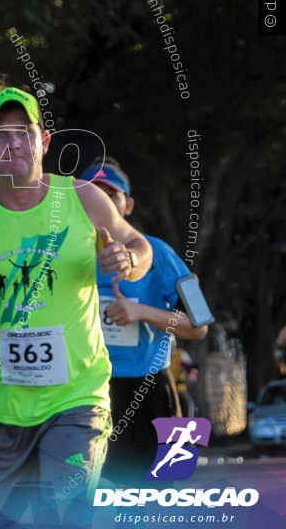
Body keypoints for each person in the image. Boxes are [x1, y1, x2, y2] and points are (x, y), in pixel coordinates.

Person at [0, 86, 153, 525]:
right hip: (0, 405)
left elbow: (138, 245)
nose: (14, 145)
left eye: (24, 132)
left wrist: (129, 259)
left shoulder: (82, 197)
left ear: (44, 142)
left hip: (76, 396)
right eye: (1, 136)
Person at [80, 158, 208, 485]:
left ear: (128, 205)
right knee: (91, 498)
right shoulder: (58, 254)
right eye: (92, 192)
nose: (101, 202)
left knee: (165, 495)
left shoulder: (162, 253)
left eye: (111, 194)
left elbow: (200, 324)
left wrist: (143, 313)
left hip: (151, 389)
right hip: (86, 391)